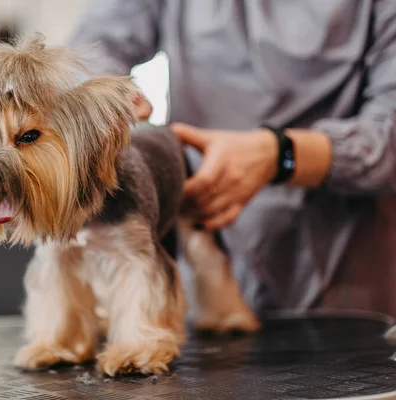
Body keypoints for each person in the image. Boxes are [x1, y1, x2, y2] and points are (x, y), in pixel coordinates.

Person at [69, 0, 396, 316]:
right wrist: (105, 93)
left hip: (342, 275)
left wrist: (280, 155)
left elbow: (389, 132)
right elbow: (96, 44)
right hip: (197, 255)